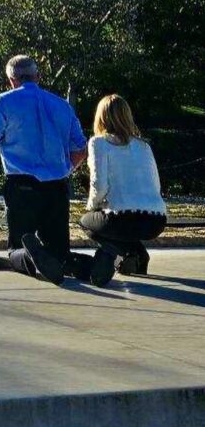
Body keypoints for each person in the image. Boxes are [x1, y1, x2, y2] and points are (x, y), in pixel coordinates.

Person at [0, 54, 88, 285]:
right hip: (57, 186)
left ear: (11, 80)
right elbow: (81, 149)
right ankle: (88, 264)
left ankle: (30, 256)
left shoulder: (5, 101)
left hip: (21, 184)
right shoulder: (62, 105)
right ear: (38, 76)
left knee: (16, 248)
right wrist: (65, 170)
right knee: (59, 250)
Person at [79, 94, 167, 286]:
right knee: (121, 226)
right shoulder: (144, 146)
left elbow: (99, 185)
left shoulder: (98, 143)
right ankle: (135, 258)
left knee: (86, 223)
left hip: (121, 217)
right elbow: (156, 183)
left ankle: (122, 253)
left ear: (101, 117)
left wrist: (92, 207)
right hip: (156, 220)